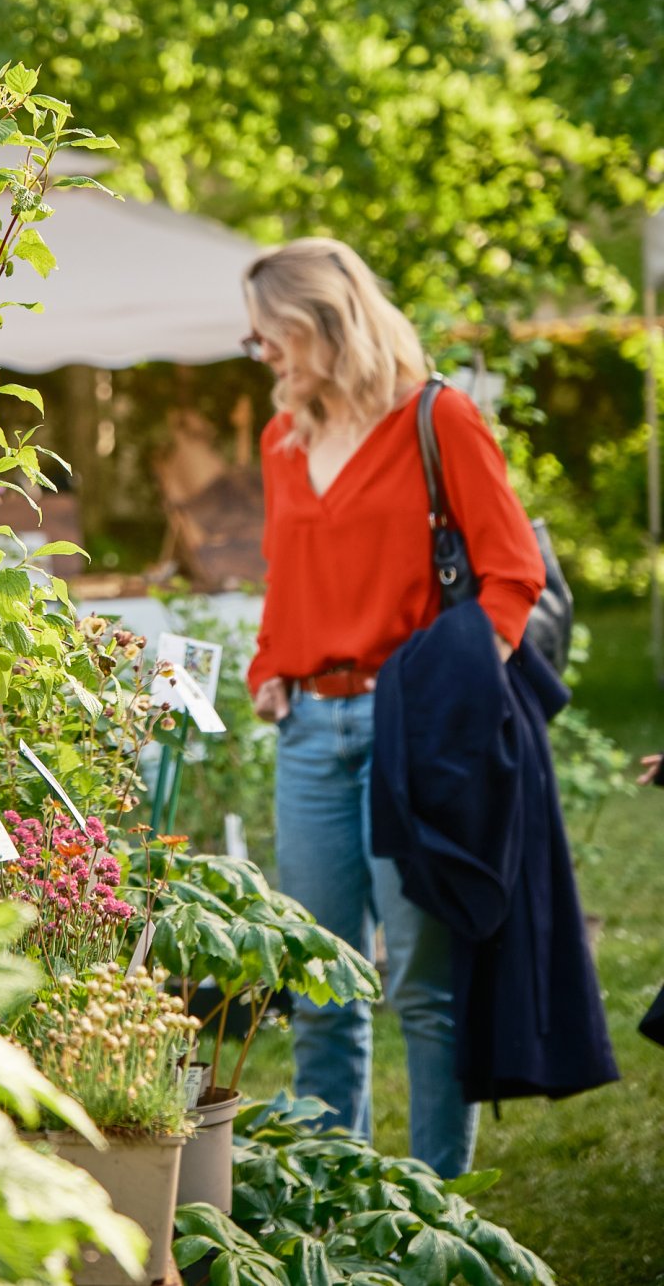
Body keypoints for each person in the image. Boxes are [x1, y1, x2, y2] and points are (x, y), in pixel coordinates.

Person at [243, 238, 545, 1179]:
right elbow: (289, 574)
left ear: (326, 323)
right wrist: (269, 664)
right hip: (308, 735)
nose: (263, 354)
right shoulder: (283, 440)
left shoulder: (437, 419)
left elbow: (513, 576)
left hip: (412, 735)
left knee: (422, 985)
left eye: (272, 335)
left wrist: (455, 696)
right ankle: (337, 1202)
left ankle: (433, 1211)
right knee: (320, 982)